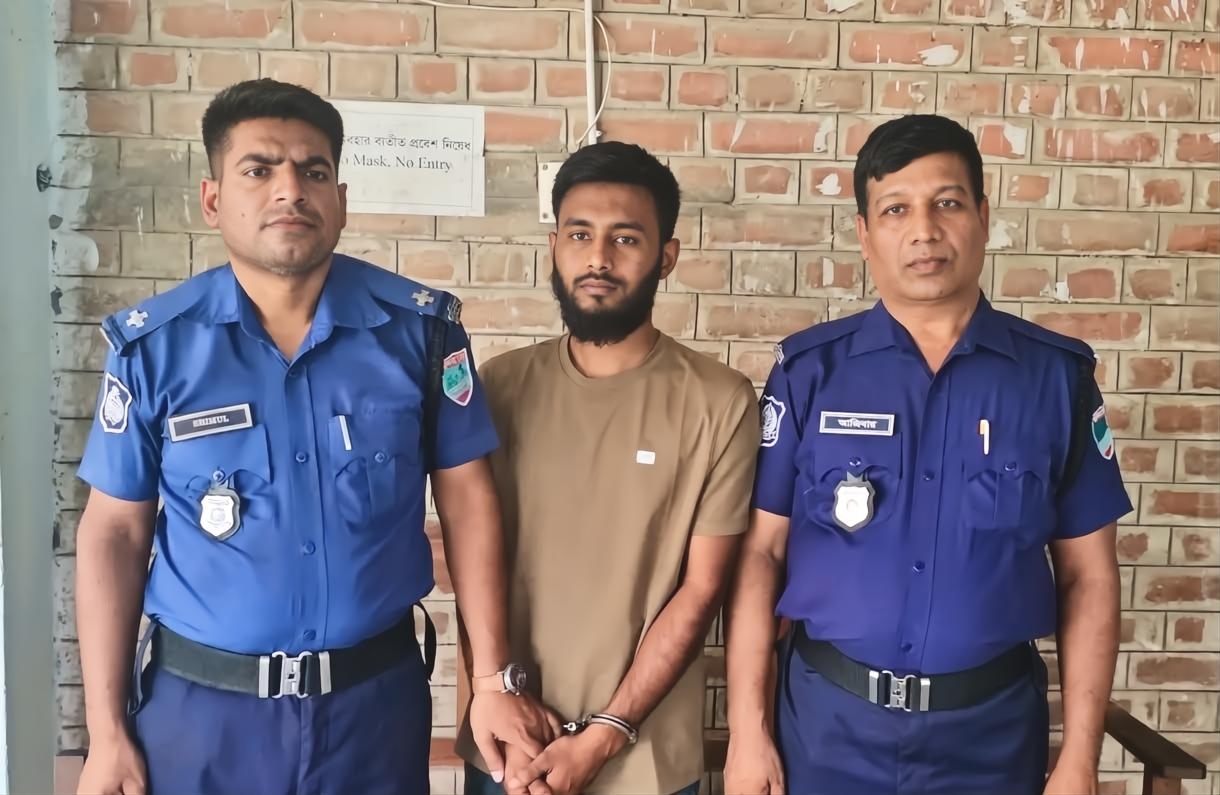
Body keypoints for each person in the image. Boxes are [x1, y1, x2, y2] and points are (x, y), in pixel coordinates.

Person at [73, 78, 550, 795]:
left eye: (313, 171)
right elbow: (113, 532)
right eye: (259, 169)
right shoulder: (154, 350)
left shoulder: (421, 334)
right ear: (212, 200)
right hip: (201, 717)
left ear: (341, 200)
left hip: (371, 712)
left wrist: (490, 680)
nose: (290, 189)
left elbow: (468, 500)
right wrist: (106, 731)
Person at [724, 114, 1131, 795]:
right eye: (896, 209)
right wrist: (747, 731)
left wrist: (1079, 757)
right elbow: (761, 555)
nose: (924, 230)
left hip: (991, 741)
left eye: (947, 202)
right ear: (864, 233)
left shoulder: (1056, 380)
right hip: (825, 733)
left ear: (983, 216)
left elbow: (1088, 575)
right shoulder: (809, 375)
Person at [454, 141, 760, 795]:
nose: (598, 258)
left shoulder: (719, 401)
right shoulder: (499, 388)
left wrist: (606, 733)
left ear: (666, 256)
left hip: (645, 763)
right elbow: (472, 561)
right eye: (579, 235)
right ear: (554, 247)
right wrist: (493, 699)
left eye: (625, 238)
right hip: (510, 747)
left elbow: (702, 589)